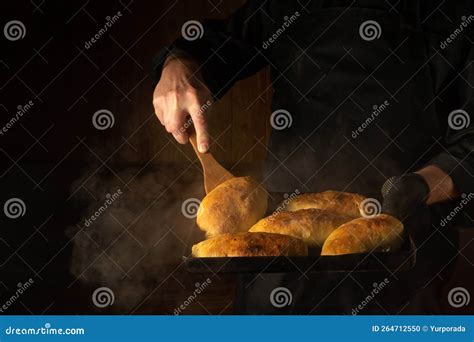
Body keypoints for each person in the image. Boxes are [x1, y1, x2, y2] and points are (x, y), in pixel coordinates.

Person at [151, 0, 474, 313]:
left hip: (404, 244)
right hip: (278, 247)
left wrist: (422, 186)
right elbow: (216, 44)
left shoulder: (453, 13)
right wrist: (178, 65)